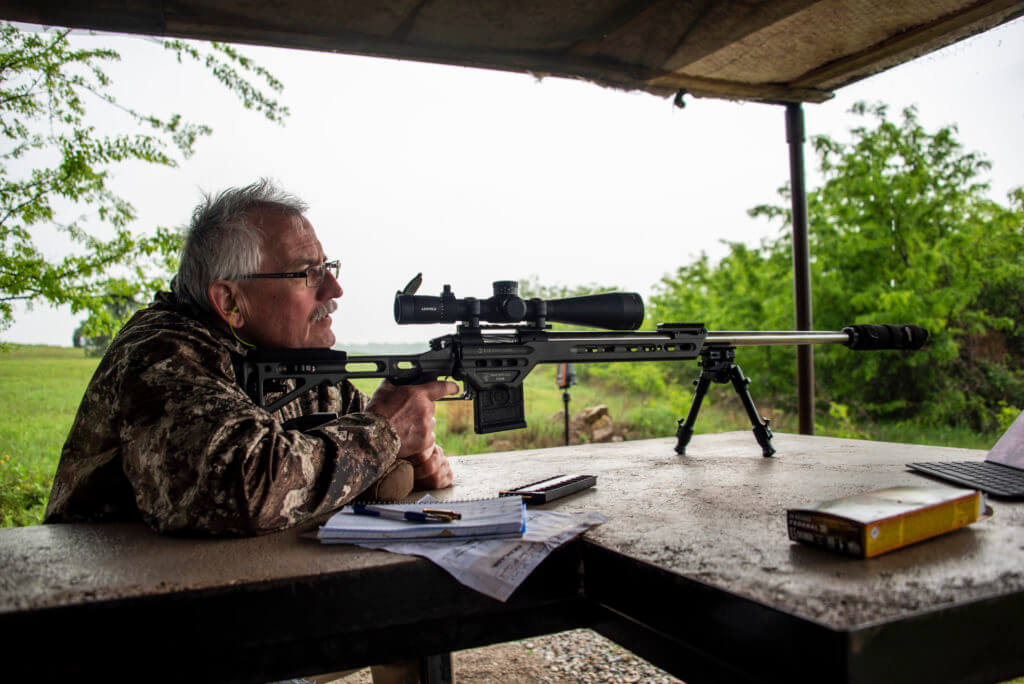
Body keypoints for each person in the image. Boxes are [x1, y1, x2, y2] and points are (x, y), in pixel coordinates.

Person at [44, 179, 458, 535]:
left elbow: (341, 449)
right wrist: (383, 431)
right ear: (230, 301)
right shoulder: (161, 357)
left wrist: (405, 457)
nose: (334, 290)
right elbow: (244, 488)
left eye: (329, 268)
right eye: (308, 273)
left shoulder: (287, 358)